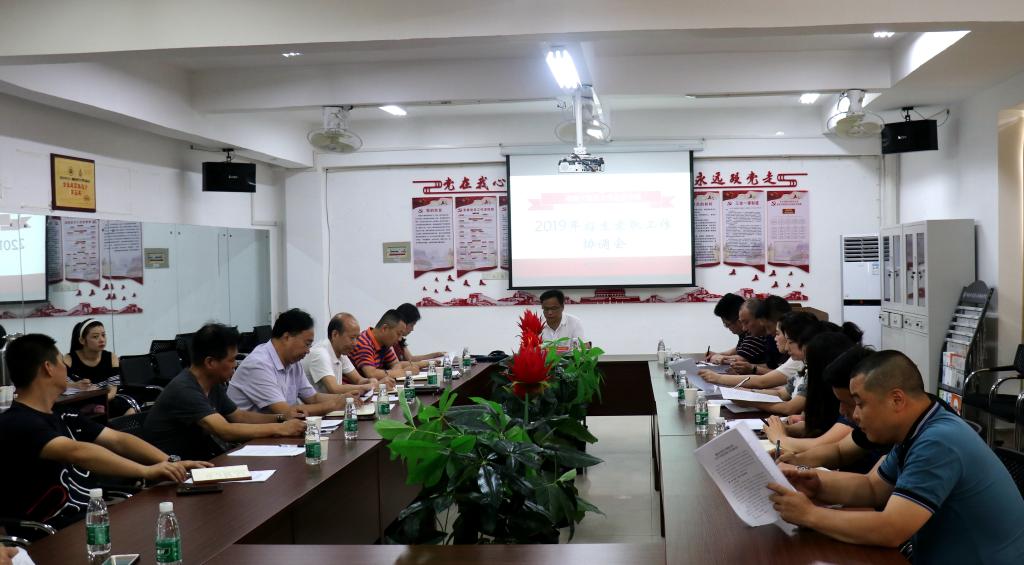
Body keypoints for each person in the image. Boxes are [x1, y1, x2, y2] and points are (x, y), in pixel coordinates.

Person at [768, 351, 1024, 564]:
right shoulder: (918, 429)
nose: (854, 415)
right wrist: (817, 485)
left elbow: (891, 529)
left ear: (897, 400)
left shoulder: (938, 441)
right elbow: (873, 487)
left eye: (861, 404)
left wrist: (809, 515)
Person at [0, 334, 210, 533]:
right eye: (62, 362)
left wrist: (170, 462)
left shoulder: (63, 414)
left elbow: (118, 439)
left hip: (90, 518)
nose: (66, 368)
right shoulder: (18, 422)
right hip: (52, 531)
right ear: (48, 368)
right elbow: (77, 452)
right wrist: (146, 471)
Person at [143, 324, 307, 461]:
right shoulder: (184, 389)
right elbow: (225, 431)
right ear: (210, 362)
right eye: (231, 359)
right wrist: (280, 428)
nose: (235, 364)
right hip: (171, 473)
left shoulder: (212, 383)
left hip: (199, 462)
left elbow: (239, 416)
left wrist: (282, 418)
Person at [778, 345, 892, 472]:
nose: (841, 411)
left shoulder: (903, 444)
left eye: (854, 403)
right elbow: (839, 451)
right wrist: (796, 460)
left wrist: (801, 469)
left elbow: (870, 483)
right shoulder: (870, 428)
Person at [227, 309, 347, 417]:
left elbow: (313, 398)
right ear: (286, 337)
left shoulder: (293, 362)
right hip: (251, 434)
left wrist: (345, 398)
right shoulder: (258, 364)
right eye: (307, 344)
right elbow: (286, 412)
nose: (308, 351)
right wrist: (334, 405)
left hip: (278, 430)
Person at [701, 311, 816, 390]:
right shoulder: (796, 357)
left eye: (777, 333)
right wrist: (750, 391)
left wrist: (719, 378)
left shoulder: (799, 359)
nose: (772, 336)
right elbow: (782, 390)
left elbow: (763, 382)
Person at [62, 319, 133, 416]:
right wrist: (75, 385)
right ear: (82, 340)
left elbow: (112, 391)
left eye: (103, 335)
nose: (102, 340)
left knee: (129, 410)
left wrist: (98, 402)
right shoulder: (69, 359)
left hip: (105, 400)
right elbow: (58, 386)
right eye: (95, 337)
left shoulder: (111, 357)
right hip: (79, 403)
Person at [302, 313, 378, 396]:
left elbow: (358, 380)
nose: (355, 343)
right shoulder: (320, 354)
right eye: (352, 338)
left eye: (357, 338)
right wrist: (365, 387)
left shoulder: (341, 352)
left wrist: (370, 381)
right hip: (316, 403)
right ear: (335, 334)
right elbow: (334, 389)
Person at [350, 310, 408, 385]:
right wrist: (399, 373)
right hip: (354, 389)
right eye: (398, 334)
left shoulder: (384, 343)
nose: (400, 339)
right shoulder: (364, 343)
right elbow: (371, 374)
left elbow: (396, 364)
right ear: (384, 328)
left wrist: (395, 372)